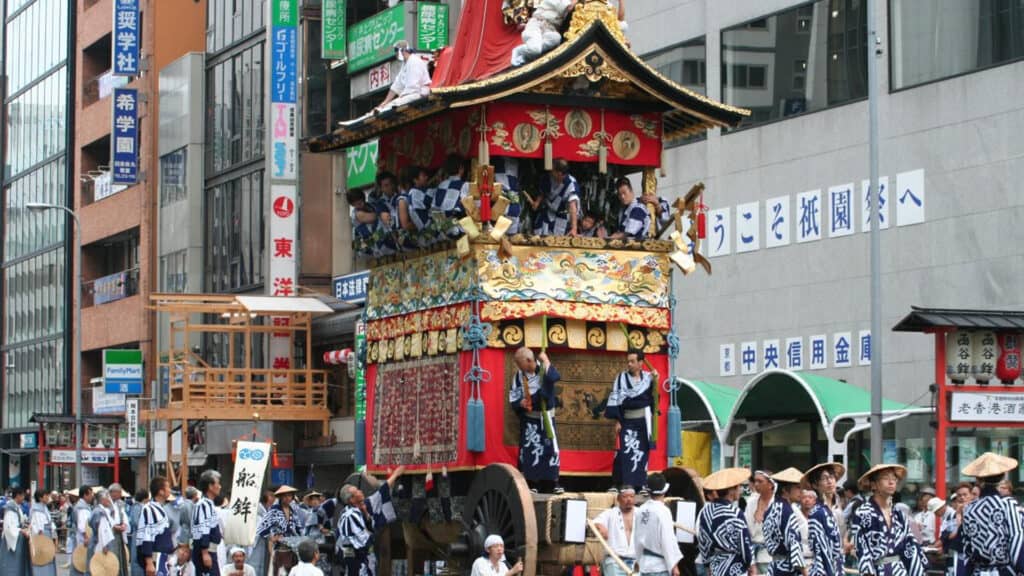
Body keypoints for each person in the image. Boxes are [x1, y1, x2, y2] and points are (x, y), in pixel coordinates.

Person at [854, 464, 927, 576]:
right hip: (876, 570)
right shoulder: (863, 513)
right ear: (874, 485)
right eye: (885, 478)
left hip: (899, 571)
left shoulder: (899, 514)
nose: (891, 482)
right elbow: (861, 548)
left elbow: (911, 545)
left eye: (894, 478)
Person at [960, 452, 1024, 576]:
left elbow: (967, 547)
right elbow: (1017, 540)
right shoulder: (1008, 504)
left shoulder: (969, 509)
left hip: (977, 571)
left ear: (978, 479)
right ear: (1003, 476)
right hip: (1004, 571)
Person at [509, 347, 562, 494]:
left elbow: (554, 377)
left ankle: (552, 483)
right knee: (531, 450)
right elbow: (514, 396)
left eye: (520, 363)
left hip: (546, 418)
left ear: (529, 360)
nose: (518, 367)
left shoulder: (544, 369)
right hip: (530, 420)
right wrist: (521, 403)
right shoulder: (519, 376)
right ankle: (531, 483)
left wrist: (545, 360)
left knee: (550, 450)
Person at [336, 466, 405, 576]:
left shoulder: (363, 507)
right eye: (357, 491)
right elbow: (364, 540)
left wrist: (395, 475)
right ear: (351, 499)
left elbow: (381, 493)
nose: (360, 491)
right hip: (354, 558)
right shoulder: (350, 515)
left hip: (365, 557)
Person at [604, 350, 654, 490]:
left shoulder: (649, 378)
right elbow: (616, 400)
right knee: (626, 451)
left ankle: (640, 484)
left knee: (642, 452)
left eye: (632, 361)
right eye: (628, 361)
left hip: (644, 421)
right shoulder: (621, 378)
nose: (629, 364)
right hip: (627, 419)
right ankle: (624, 483)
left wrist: (656, 381)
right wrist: (618, 421)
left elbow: (653, 400)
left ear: (640, 363)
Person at [697, 468, 753, 576]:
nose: (740, 490)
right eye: (738, 487)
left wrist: (707, 564)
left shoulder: (706, 512)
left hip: (715, 567)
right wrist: (750, 563)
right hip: (736, 568)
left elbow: (703, 541)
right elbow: (744, 543)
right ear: (731, 490)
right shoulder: (735, 513)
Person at [635, 473, 683, 576]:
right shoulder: (663, 511)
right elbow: (667, 540)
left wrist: (638, 560)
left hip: (645, 565)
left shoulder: (641, 509)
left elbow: (637, 538)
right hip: (659, 566)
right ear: (664, 491)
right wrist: (674, 565)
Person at [802, 463, 844, 576]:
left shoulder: (834, 509)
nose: (829, 481)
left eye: (831, 477)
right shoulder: (817, 512)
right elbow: (821, 550)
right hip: (824, 569)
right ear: (815, 485)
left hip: (836, 566)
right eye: (824, 478)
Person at [763, 468, 807, 576]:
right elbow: (794, 546)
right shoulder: (787, 511)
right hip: (787, 568)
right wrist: (805, 572)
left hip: (774, 566)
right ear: (785, 490)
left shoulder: (770, 509)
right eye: (797, 488)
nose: (801, 492)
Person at [251, 486, 303, 576]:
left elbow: (299, 529)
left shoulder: (293, 511)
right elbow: (262, 528)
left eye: (290, 495)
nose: (287, 498)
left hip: (293, 547)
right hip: (278, 547)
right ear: (280, 497)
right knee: (278, 571)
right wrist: (271, 537)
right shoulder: (274, 510)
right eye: (285, 496)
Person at [510, 0, 577, 66]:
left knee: (556, 38)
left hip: (550, 29)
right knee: (535, 50)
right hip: (536, 25)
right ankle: (518, 51)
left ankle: (528, 54)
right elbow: (569, 7)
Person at [528, 158, 580, 236]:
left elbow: (573, 206)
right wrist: (537, 203)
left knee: (556, 241)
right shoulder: (547, 178)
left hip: (561, 216)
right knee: (539, 238)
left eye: (553, 170)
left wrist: (574, 228)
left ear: (559, 173)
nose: (550, 171)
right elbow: (542, 193)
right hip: (546, 213)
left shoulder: (571, 184)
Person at [374, 42, 431, 112]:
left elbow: (413, 87)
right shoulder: (405, 64)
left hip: (419, 94)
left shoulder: (414, 61)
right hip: (410, 95)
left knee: (391, 106)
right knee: (385, 106)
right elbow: (396, 85)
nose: (395, 54)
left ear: (402, 50)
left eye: (396, 50)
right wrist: (385, 102)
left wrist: (401, 97)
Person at [593, 486, 638, 575]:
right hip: (614, 560)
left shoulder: (641, 513)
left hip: (635, 561)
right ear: (618, 498)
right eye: (625, 497)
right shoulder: (610, 513)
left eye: (632, 496)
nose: (629, 499)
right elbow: (593, 522)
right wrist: (600, 526)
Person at [137, 477, 177, 576]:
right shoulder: (149, 508)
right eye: (168, 487)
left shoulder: (160, 508)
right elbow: (147, 536)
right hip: (156, 556)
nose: (170, 490)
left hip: (164, 556)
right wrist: (149, 562)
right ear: (161, 492)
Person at [191, 471, 223, 576]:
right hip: (206, 551)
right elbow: (203, 529)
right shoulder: (203, 504)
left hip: (210, 550)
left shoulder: (208, 504)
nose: (220, 486)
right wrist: (205, 553)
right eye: (217, 483)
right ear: (210, 486)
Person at [92, 489, 130, 576]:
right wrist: (104, 545)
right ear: (102, 500)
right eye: (108, 498)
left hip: (105, 541)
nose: (109, 500)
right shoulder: (100, 512)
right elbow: (102, 530)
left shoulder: (102, 511)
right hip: (102, 543)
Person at [744, 470, 775, 574]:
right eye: (755, 481)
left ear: (771, 484)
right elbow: (745, 530)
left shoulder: (778, 504)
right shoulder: (751, 502)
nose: (756, 484)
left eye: (760, 481)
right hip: (752, 556)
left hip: (771, 557)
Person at [432, 154, 469, 237]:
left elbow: (434, 208)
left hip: (442, 231)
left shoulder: (441, 185)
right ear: (461, 169)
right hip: (460, 229)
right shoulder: (465, 185)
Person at [1, 486, 30, 576]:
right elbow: (9, 527)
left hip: (18, 537)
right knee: (12, 564)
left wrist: (25, 526)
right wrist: (21, 530)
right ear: (17, 496)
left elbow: (20, 522)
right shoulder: (11, 508)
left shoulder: (16, 507)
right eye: (22, 496)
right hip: (14, 539)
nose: (23, 498)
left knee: (18, 563)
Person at [29, 489, 58, 576]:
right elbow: (39, 527)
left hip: (47, 534)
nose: (48, 497)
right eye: (46, 496)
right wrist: (42, 541)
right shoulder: (37, 509)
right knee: (43, 559)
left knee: (48, 559)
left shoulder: (43, 507)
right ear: (40, 498)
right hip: (43, 536)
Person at [71, 486, 95, 576]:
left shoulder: (83, 506)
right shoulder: (82, 508)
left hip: (83, 537)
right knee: (81, 563)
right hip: (84, 538)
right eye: (91, 494)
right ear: (85, 495)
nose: (92, 496)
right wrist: (86, 537)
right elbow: (83, 525)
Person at [109, 484, 132, 576]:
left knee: (120, 558)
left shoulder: (120, 503)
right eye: (119, 492)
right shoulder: (106, 502)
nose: (120, 495)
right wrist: (114, 526)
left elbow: (124, 516)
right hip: (110, 534)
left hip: (119, 534)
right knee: (111, 558)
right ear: (113, 492)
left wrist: (124, 525)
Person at [129, 490, 151, 576]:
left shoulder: (139, 507)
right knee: (136, 559)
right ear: (145, 498)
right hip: (138, 535)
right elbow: (136, 522)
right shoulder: (137, 507)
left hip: (140, 535)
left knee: (140, 558)